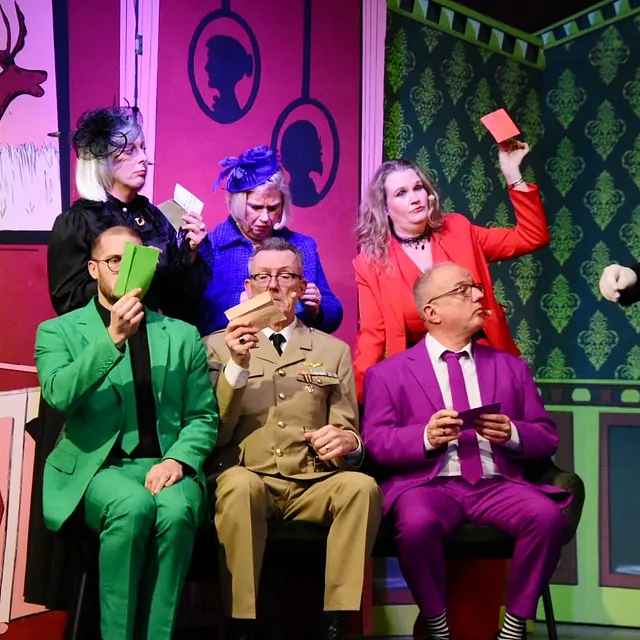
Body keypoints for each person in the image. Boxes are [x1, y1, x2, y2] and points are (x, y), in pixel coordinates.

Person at [361, 262, 571, 640]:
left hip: (497, 484)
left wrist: (512, 433)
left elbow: (547, 437)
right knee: (417, 524)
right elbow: (375, 442)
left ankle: (513, 627)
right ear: (432, 312)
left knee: (547, 517)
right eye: (463, 290)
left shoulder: (511, 368)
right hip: (429, 486)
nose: (477, 295)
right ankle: (437, 626)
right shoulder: (388, 374)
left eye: (475, 287)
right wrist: (425, 437)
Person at [34, 226, 219, 640]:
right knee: (132, 507)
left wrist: (178, 459)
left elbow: (202, 416)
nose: (126, 269)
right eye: (115, 261)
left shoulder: (182, 335)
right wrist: (112, 337)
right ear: (93, 268)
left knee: (176, 513)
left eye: (137, 260)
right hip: (98, 469)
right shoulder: (58, 331)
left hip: (166, 464)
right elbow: (59, 394)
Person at [203, 237, 382, 640]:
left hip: (312, 482)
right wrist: (237, 366)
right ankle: (241, 622)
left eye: (285, 276)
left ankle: (338, 619)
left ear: (301, 287)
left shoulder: (333, 350)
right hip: (250, 475)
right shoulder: (216, 346)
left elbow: (347, 426)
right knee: (238, 485)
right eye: (262, 277)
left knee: (362, 488)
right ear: (248, 287)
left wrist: (349, 443)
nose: (273, 285)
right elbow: (214, 432)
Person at [353, 141, 549, 400]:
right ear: (385, 208)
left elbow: (532, 236)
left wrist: (513, 174)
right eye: (401, 193)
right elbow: (372, 337)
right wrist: (356, 402)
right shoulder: (370, 263)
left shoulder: (459, 229)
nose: (414, 198)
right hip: (421, 380)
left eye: (418, 188)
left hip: (485, 364)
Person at [48, 106, 209, 323]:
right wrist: (133, 273)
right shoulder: (80, 221)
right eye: (130, 150)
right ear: (103, 160)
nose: (144, 158)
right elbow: (67, 301)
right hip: (103, 336)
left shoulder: (154, 218)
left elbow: (177, 303)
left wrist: (190, 254)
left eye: (143, 148)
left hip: (152, 334)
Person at [197, 144, 342, 336]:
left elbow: (335, 311)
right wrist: (238, 303)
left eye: (273, 208)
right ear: (236, 203)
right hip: (229, 349)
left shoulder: (303, 246)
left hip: (292, 350)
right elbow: (192, 315)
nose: (265, 218)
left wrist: (318, 309)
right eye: (256, 207)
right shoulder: (211, 247)